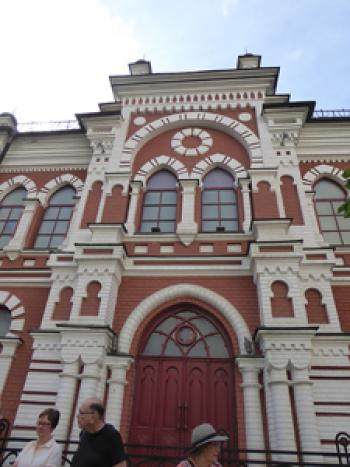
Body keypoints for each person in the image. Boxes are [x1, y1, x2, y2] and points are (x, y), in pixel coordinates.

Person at [72, 398, 127, 467]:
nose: (78, 416)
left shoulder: (111, 435)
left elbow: (120, 465)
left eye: (81, 413)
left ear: (93, 416)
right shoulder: (84, 433)